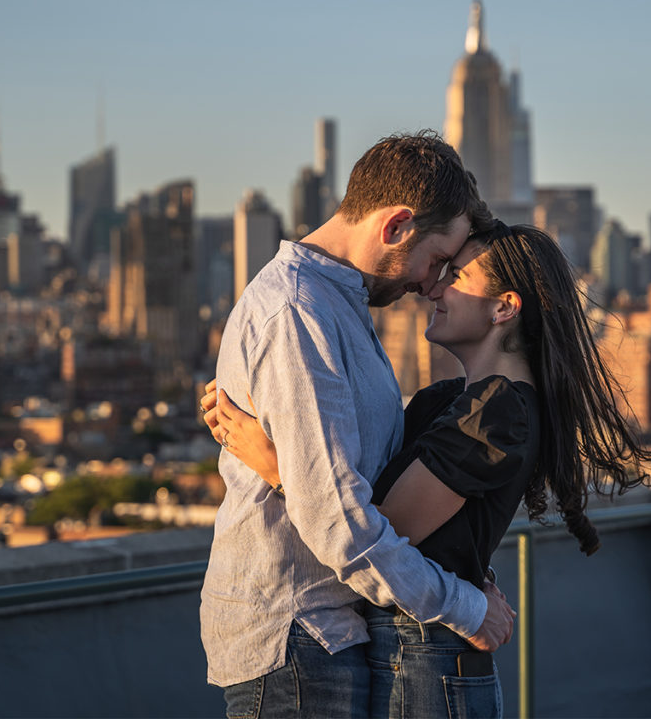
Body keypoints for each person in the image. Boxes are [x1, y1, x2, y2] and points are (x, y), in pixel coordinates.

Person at [203, 220, 651, 718]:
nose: (436, 288)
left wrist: (275, 465)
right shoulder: (452, 401)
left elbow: (379, 524)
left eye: (458, 276)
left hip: (427, 661)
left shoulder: (498, 412)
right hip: (410, 651)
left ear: (504, 307)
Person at [200, 131, 517, 719]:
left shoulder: (338, 302)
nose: (431, 283)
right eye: (437, 260)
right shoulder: (300, 312)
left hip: (332, 632)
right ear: (396, 227)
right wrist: (468, 608)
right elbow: (339, 522)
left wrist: (278, 466)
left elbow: (348, 484)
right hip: (299, 636)